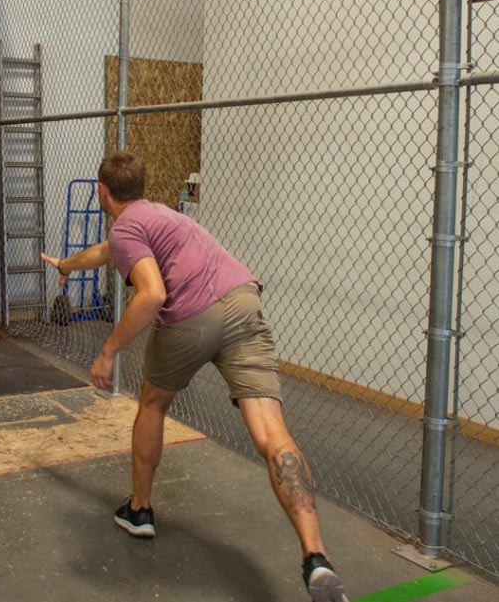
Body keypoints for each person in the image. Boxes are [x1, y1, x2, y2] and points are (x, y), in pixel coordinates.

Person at [41, 152, 348, 602]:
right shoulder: (158, 216)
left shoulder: (127, 226)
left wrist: (108, 352)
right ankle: (316, 557)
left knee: (152, 403)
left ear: (102, 191)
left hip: (189, 318)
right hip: (242, 301)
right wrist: (68, 264)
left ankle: (141, 510)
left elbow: (152, 295)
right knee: (270, 432)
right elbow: (108, 251)